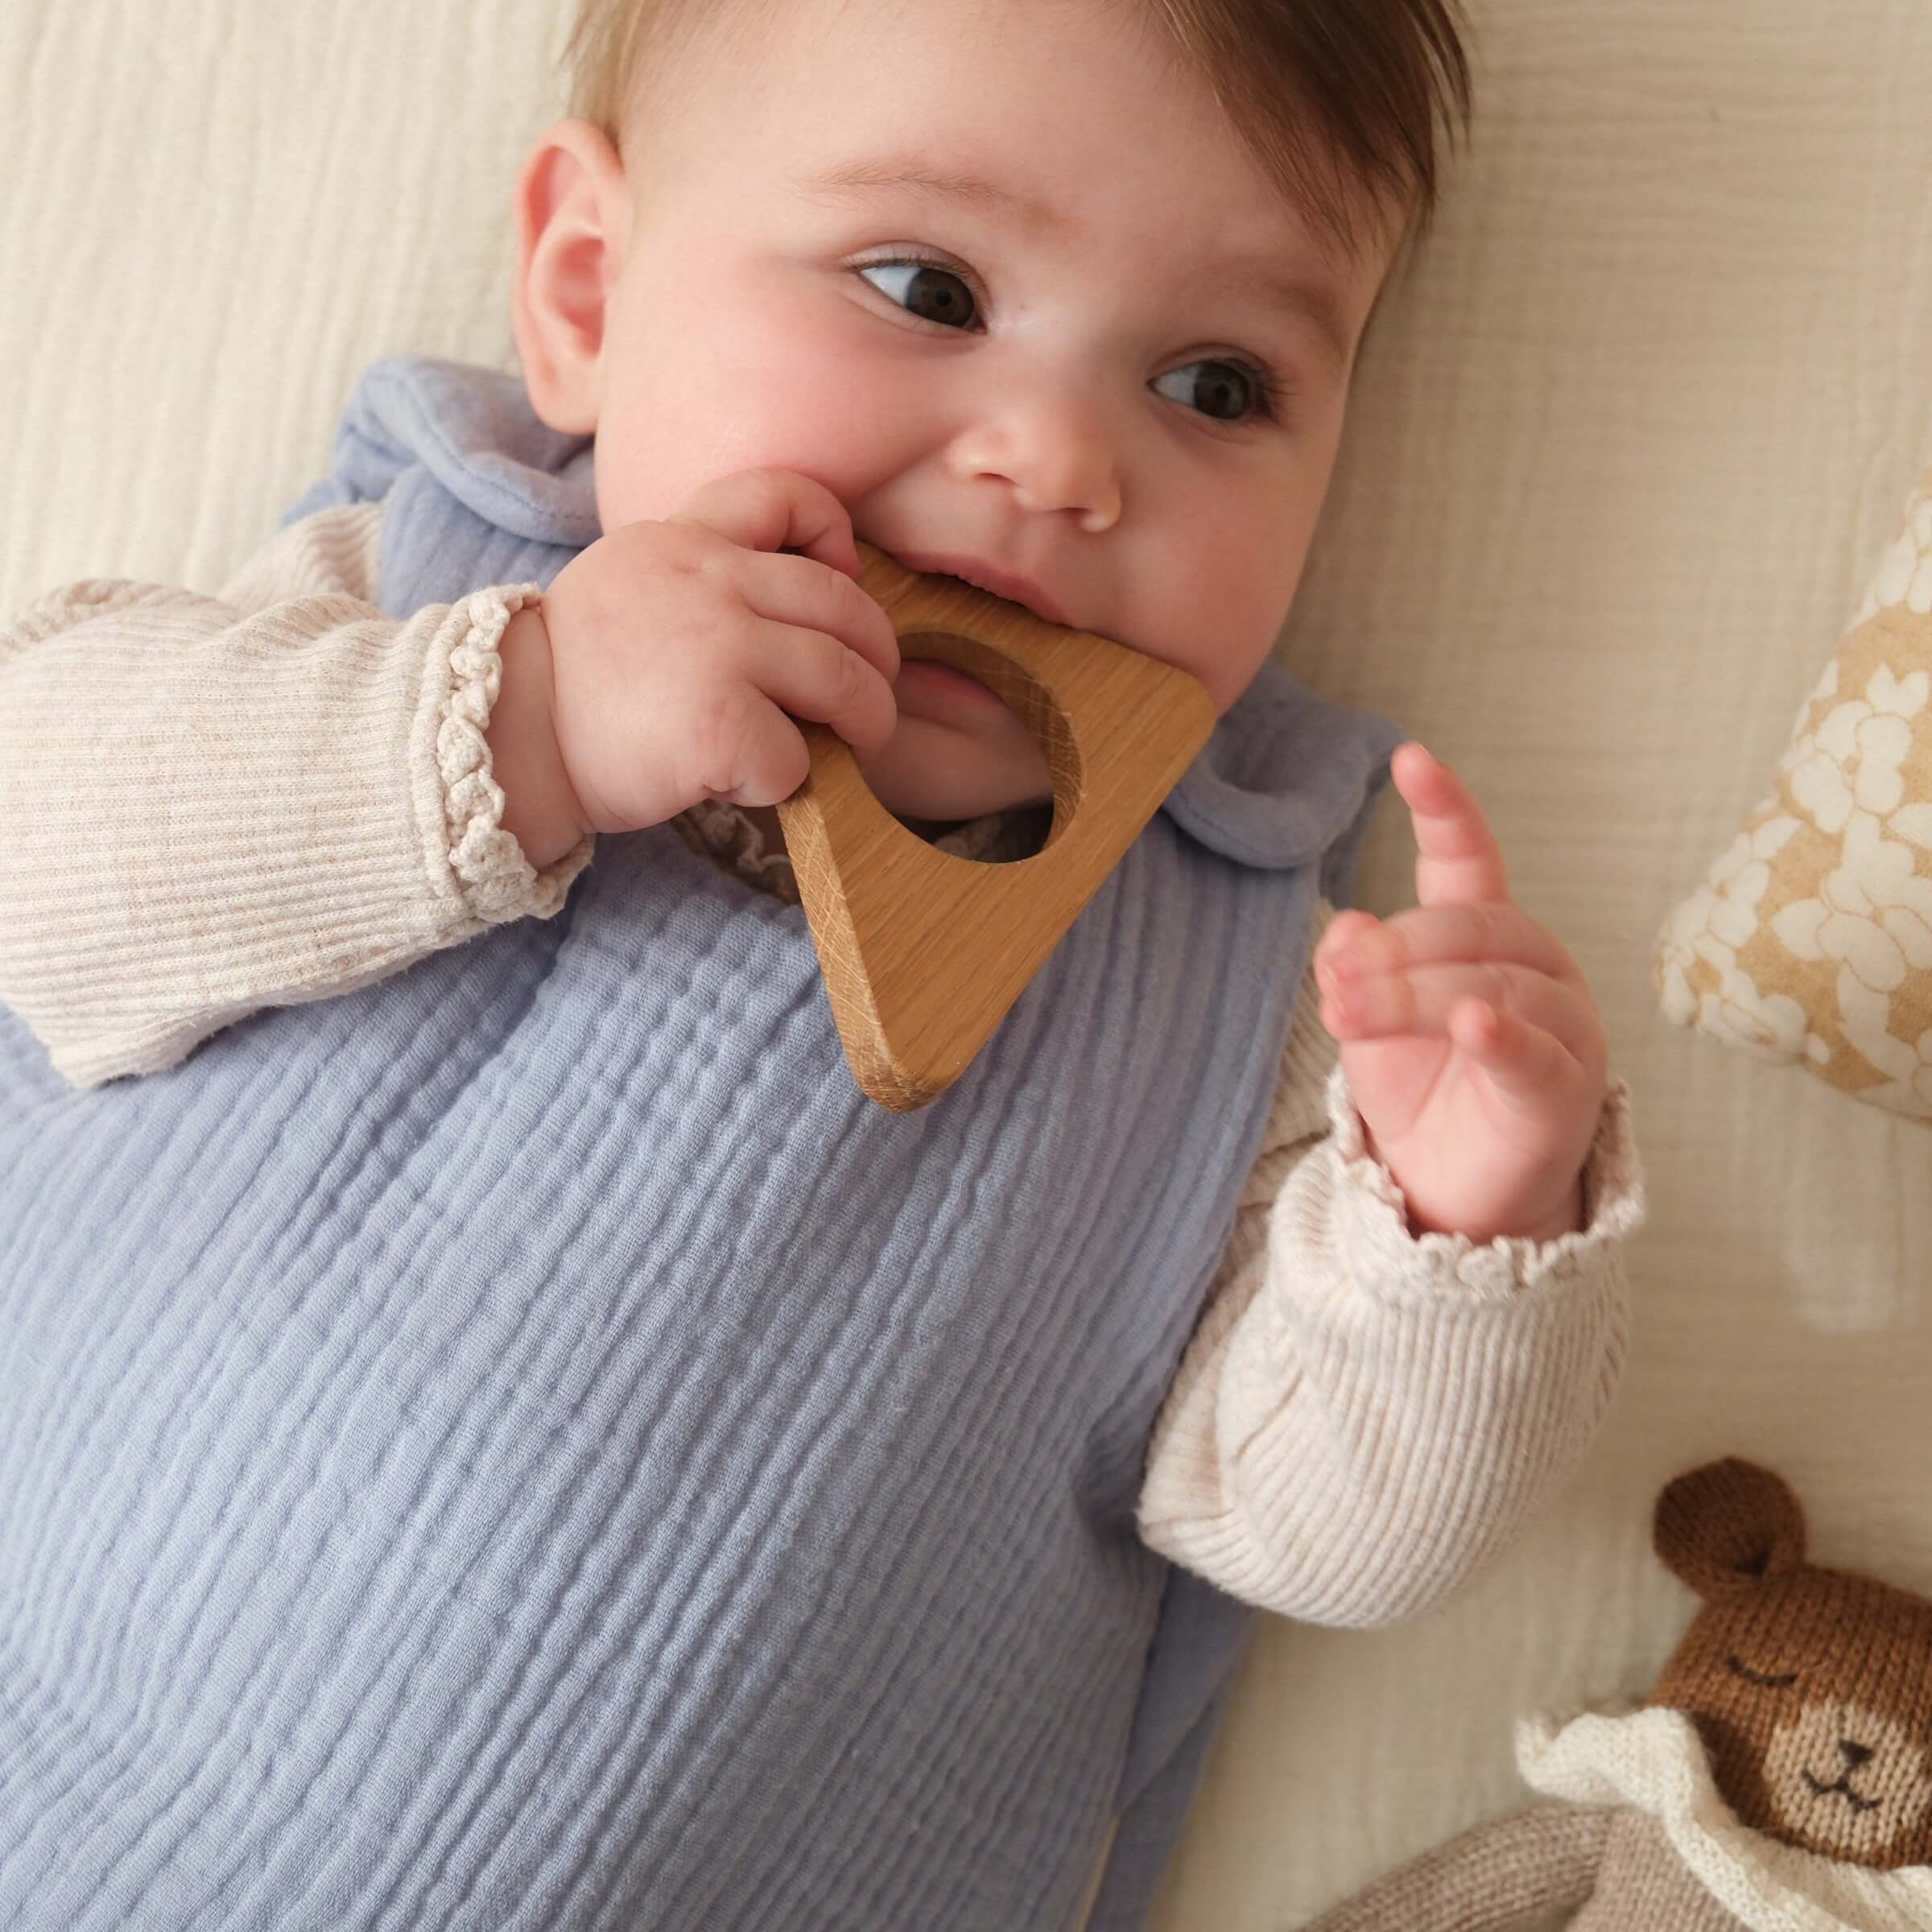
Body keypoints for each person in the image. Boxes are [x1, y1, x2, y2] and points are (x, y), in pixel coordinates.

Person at [0, 1, 1645, 1926]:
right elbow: (47, 849)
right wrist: (521, 724)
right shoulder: (432, 597)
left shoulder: (1251, 989)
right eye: (926, 287)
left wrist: (1459, 1227)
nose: (1060, 459)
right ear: (589, 290)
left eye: (1215, 386)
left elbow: (1327, 1532)